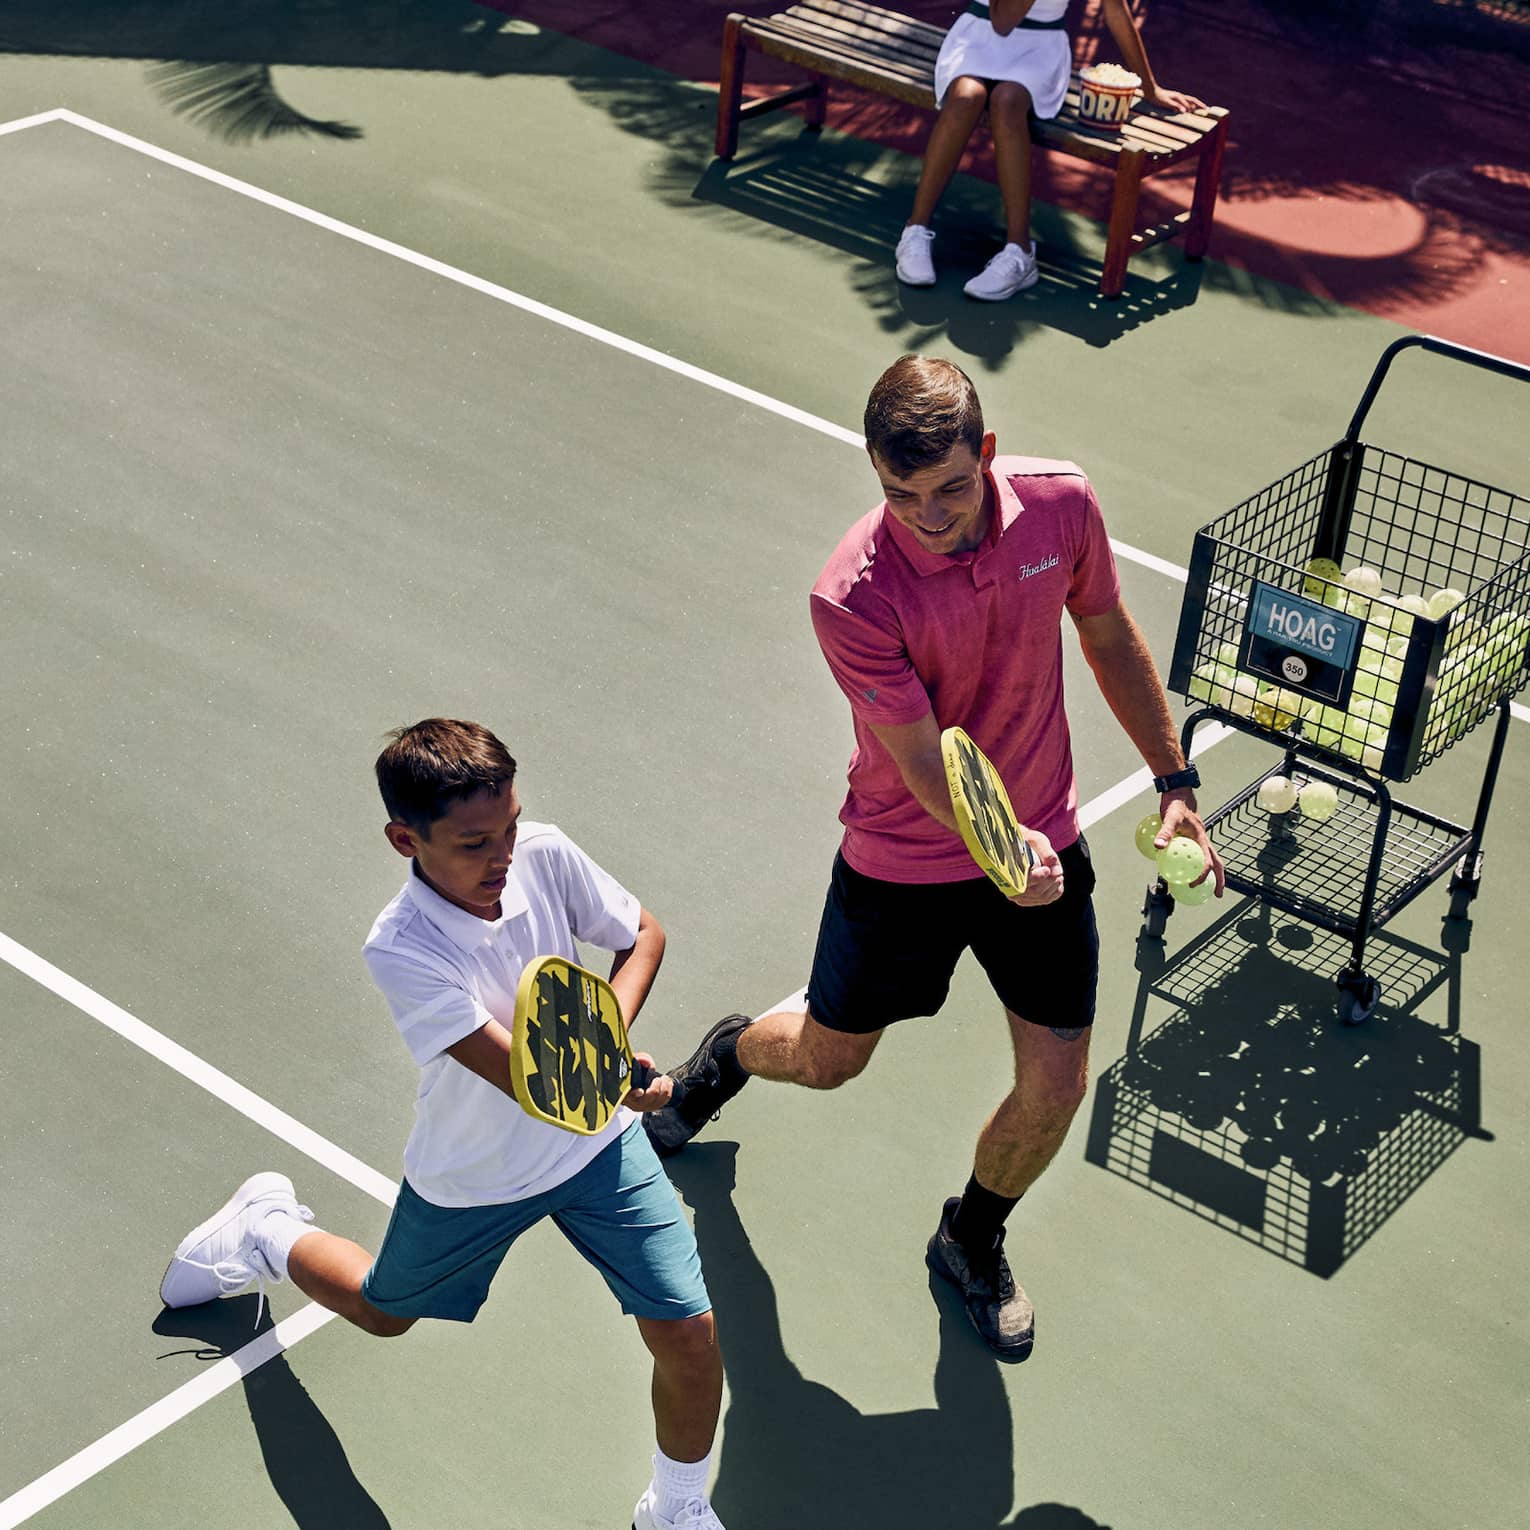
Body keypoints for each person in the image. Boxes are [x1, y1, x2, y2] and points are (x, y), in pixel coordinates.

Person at [644, 356, 1224, 1363]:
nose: (927, 515)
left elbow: (1106, 636)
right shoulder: (853, 596)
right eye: (899, 495)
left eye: (950, 487)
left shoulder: (1061, 507)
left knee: (1058, 1086)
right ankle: (733, 1052)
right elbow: (918, 762)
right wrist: (1003, 852)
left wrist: (1175, 785)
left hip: (1043, 838)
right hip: (902, 861)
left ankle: (973, 1234)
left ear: (987, 456)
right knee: (828, 1062)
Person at [159, 718, 730, 1530]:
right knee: (384, 1313)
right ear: (405, 839)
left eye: (509, 829)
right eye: (472, 844)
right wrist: (608, 1075)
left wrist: (609, 1038)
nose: (502, 857)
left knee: (688, 1331)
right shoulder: (400, 948)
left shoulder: (544, 853)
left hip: (598, 1150)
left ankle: (673, 1509)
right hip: (479, 1172)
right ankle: (267, 1231)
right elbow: (523, 1076)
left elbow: (642, 933)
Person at [894, 0, 1205, 299]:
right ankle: (915, 229)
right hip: (977, 37)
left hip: (1039, 49)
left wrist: (1150, 88)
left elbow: (1116, 10)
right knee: (965, 98)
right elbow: (1002, 22)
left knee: (1006, 102)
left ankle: (1020, 252)